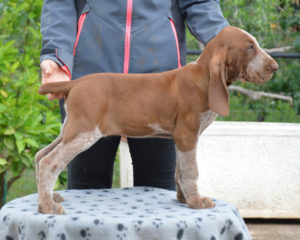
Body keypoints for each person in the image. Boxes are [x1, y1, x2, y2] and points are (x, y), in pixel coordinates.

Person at [40, 0, 229, 191]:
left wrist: (229, 47)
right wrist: (56, 55)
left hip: (163, 90)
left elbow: (200, 3)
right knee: (86, 191)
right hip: (91, 85)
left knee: (159, 194)